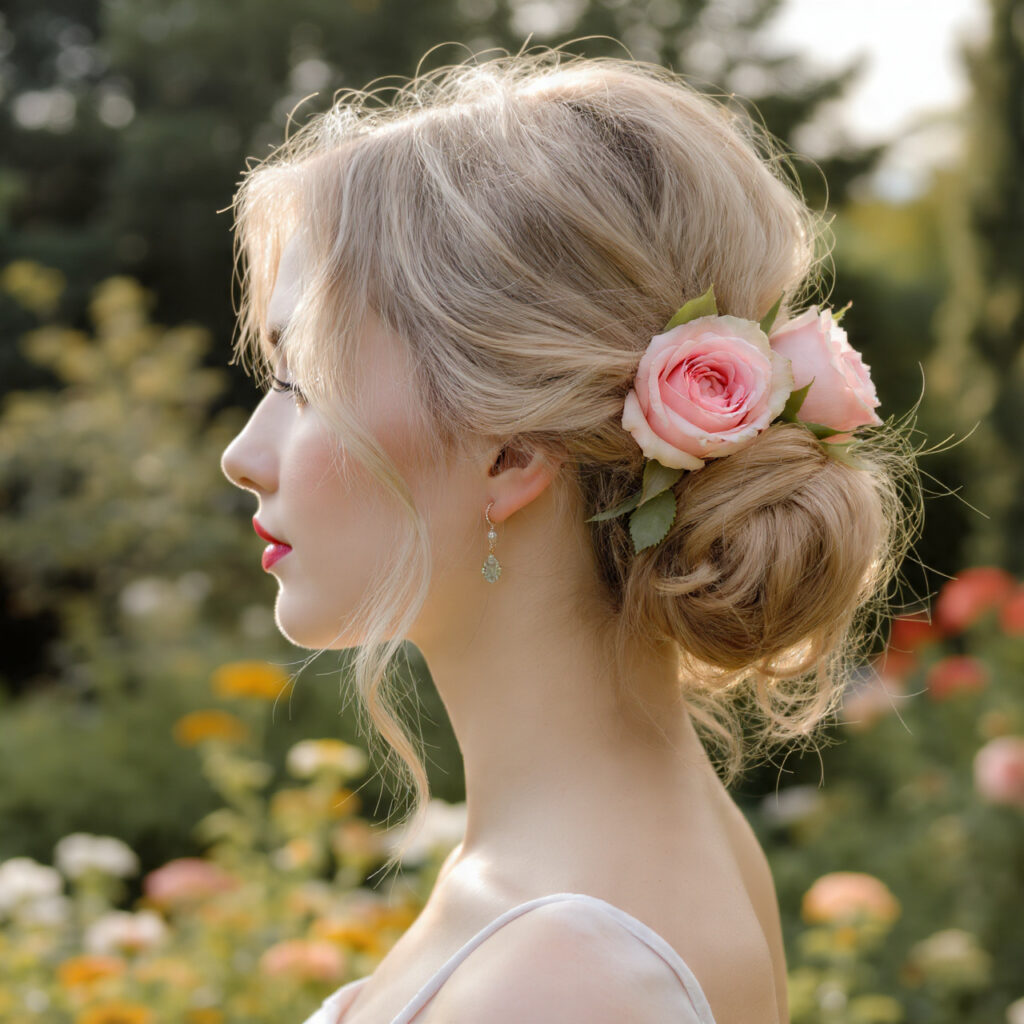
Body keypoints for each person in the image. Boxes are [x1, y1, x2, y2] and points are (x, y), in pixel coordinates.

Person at [220, 47, 916, 1024]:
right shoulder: (618, 856)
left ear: (510, 456)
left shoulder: (566, 970)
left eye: (303, 382)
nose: (244, 454)